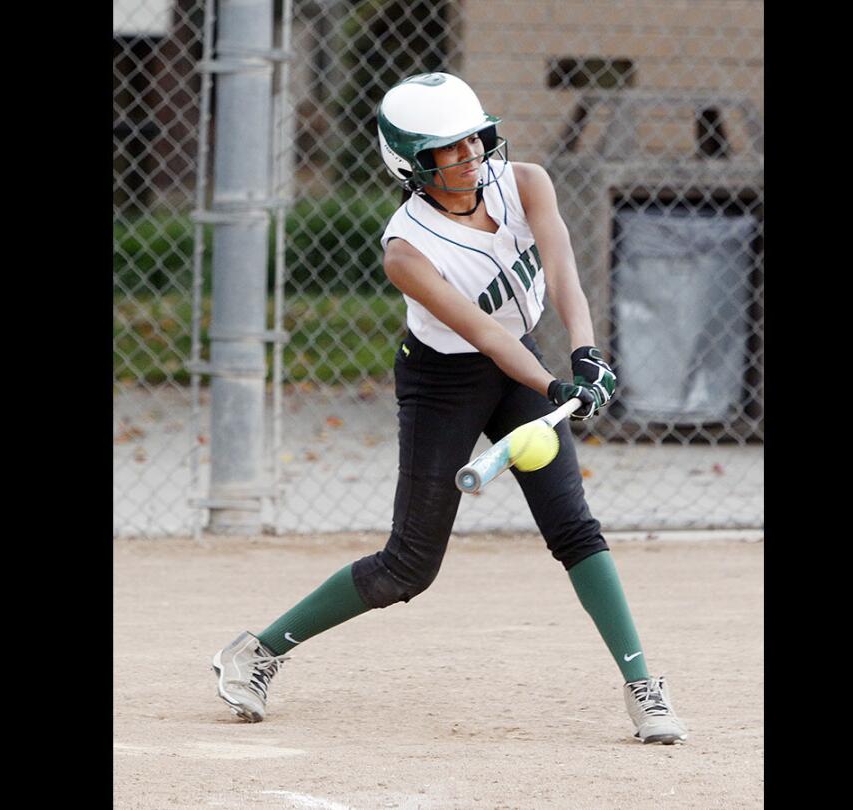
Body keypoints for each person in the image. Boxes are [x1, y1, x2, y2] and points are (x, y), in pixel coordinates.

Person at [213, 72, 687, 744]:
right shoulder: (407, 251)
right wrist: (556, 389)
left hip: (521, 365)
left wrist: (584, 357)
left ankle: (645, 686)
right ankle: (257, 650)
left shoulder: (526, 183)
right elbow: (486, 335)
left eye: (473, 141)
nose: (469, 157)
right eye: (448, 151)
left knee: (574, 528)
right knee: (409, 566)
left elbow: (563, 274)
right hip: (444, 382)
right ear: (411, 166)